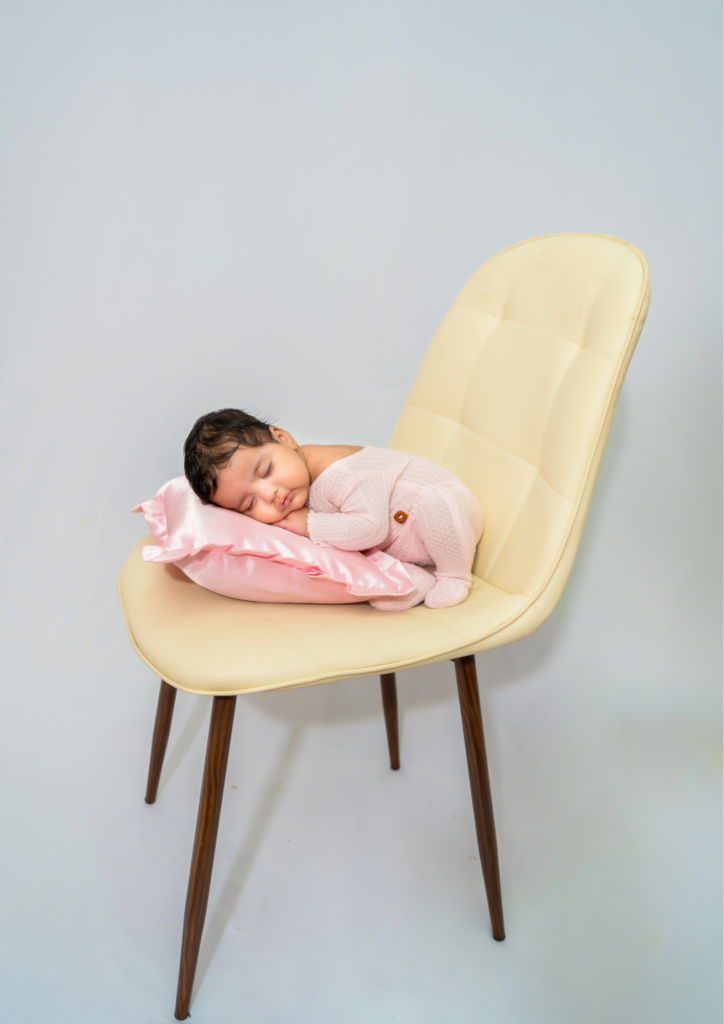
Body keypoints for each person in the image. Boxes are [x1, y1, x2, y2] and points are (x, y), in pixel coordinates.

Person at [184, 408, 482, 612]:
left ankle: (455, 576)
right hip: (403, 544)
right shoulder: (298, 491)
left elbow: (370, 529)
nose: (270, 494)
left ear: (283, 439)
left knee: (438, 507)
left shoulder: (341, 471)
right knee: (360, 568)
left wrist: (310, 524)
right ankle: (416, 578)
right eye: (249, 504)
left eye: (266, 470)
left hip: (447, 516)